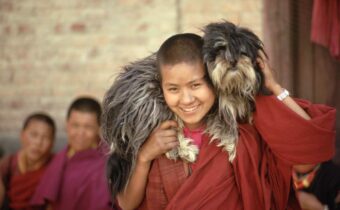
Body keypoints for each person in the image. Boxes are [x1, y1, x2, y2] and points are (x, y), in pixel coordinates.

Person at [103, 24, 335, 209]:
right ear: (160, 88)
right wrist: (144, 157)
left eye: (196, 85)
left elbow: (310, 150)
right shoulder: (151, 133)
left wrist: (273, 87)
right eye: (173, 89)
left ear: (215, 79)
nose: (186, 99)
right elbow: (126, 203)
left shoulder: (245, 129)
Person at [31, 97, 114, 210]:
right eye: (75, 125)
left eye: (88, 127)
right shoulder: (62, 156)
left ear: (99, 128)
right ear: (67, 125)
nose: (80, 133)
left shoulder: (106, 162)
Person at [0, 113, 56, 210]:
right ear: (22, 135)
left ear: (52, 143)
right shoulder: (7, 165)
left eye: (46, 137)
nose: (38, 142)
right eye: (34, 135)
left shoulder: (56, 166)